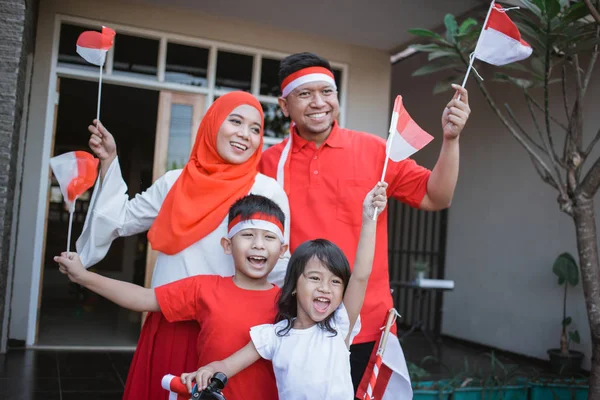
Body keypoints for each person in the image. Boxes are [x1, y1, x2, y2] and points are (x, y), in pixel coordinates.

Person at [258, 52, 470, 397]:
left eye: (326, 92)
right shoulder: (268, 163)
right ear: (284, 105)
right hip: (294, 324)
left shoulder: (375, 150)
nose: (318, 103)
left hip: (366, 323)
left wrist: (451, 140)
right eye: (304, 94)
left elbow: (437, 196)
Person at [77, 91, 290, 400]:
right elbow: (120, 220)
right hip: (172, 323)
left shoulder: (267, 190)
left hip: (234, 335)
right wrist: (110, 160)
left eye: (256, 128)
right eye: (236, 121)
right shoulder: (174, 182)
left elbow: (279, 265)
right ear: (213, 124)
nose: (245, 134)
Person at [57, 194, 288, 400]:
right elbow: (143, 299)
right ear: (227, 245)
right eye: (247, 235)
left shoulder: (289, 303)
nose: (258, 245)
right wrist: (83, 277)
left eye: (269, 237)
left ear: (282, 250)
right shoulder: (204, 288)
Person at [182, 182, 387, 400]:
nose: (324, 288)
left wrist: (369, 218)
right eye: (315, 278)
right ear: (294, 288)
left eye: (335, 282)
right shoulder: (274, 335)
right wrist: (207, 371)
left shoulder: (339, 326)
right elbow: (226, 365)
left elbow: (361, 275)